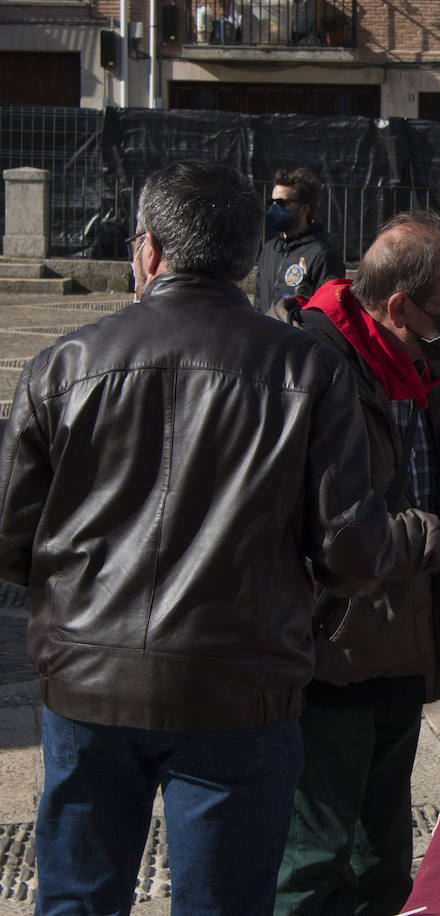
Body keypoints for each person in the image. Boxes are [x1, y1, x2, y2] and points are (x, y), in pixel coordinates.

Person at [0, 160, 399, 914]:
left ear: (147, 251)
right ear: (252, 260)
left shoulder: (63, 366)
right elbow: (352, 551)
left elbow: (13, 539)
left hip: (87, 679)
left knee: (77, 901)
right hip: (239, 685)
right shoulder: (309, 371)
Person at [271, 211, 440, 915]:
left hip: (402, 640)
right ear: (396, 306)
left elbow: (421, 482)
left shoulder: (423, 367)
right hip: (330, 647)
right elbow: (337, 529)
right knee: (314, 863)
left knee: (384, 857)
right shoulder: (316, 370)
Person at [256, 165, 345, 312]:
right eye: (271, 202)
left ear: (304, 209)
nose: (273, 208)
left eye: (282, 203)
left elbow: (329, 311)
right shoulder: (269, 249)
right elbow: (259, 301)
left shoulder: (322, 255)